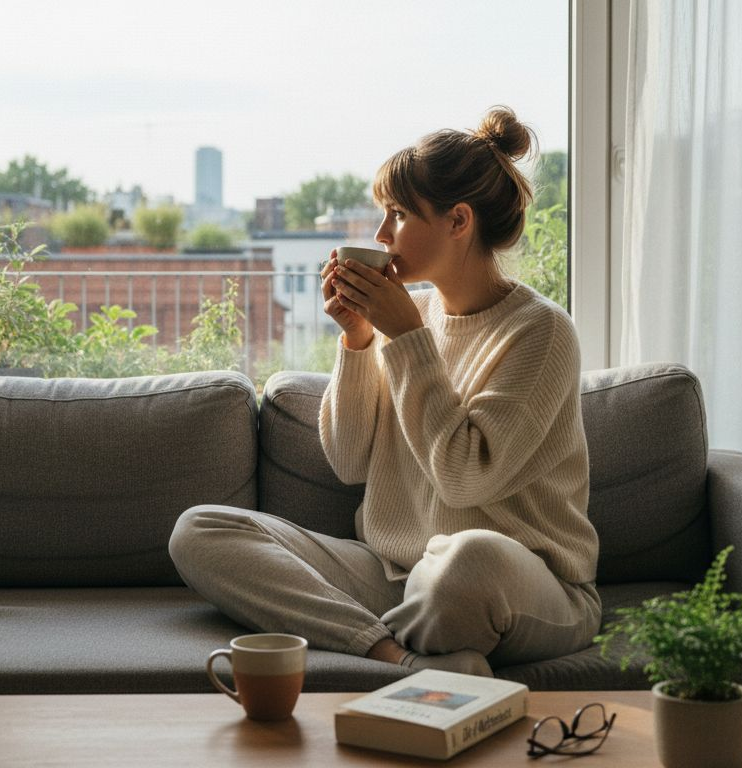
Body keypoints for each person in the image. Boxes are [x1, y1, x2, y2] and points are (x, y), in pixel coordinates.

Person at [169, 106, 599, 677]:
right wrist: (356, 339)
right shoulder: (407, 319)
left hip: (520, 584)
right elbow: (348, 462)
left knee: (465, 559)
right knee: (200, 530)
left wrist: (405, 338)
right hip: (391, 575)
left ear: (458, 221)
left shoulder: (540, 332)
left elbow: (465, 477)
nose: (380, 235)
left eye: (397, 214)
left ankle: (373, 639)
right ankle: (394, 655)